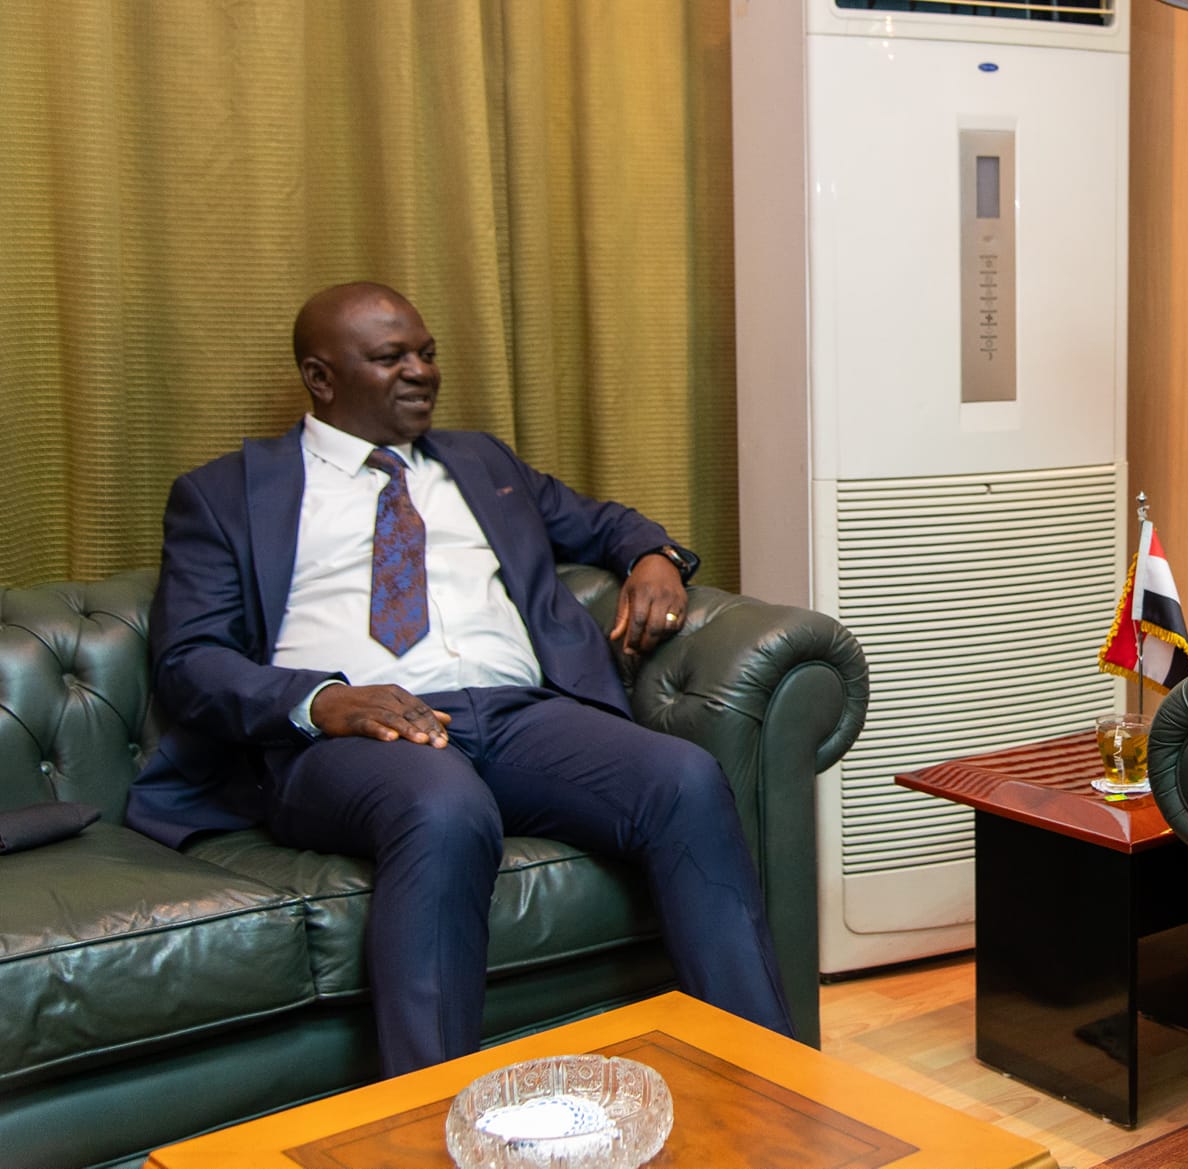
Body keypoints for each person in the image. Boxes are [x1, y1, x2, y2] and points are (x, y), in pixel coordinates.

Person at [128, 281, 792, 1076]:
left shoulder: (481, 463)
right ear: (320, 377)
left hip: (519, 715)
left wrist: (656, 556)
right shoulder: (226, 492)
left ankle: (764, 1080)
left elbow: (603, 522)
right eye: (391, 357)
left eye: (427, 353)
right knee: (443, 806)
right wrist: (324, 700)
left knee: (684, 777)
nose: (422, 372)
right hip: (353, 737)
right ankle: (429, 1111)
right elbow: (190, 659)